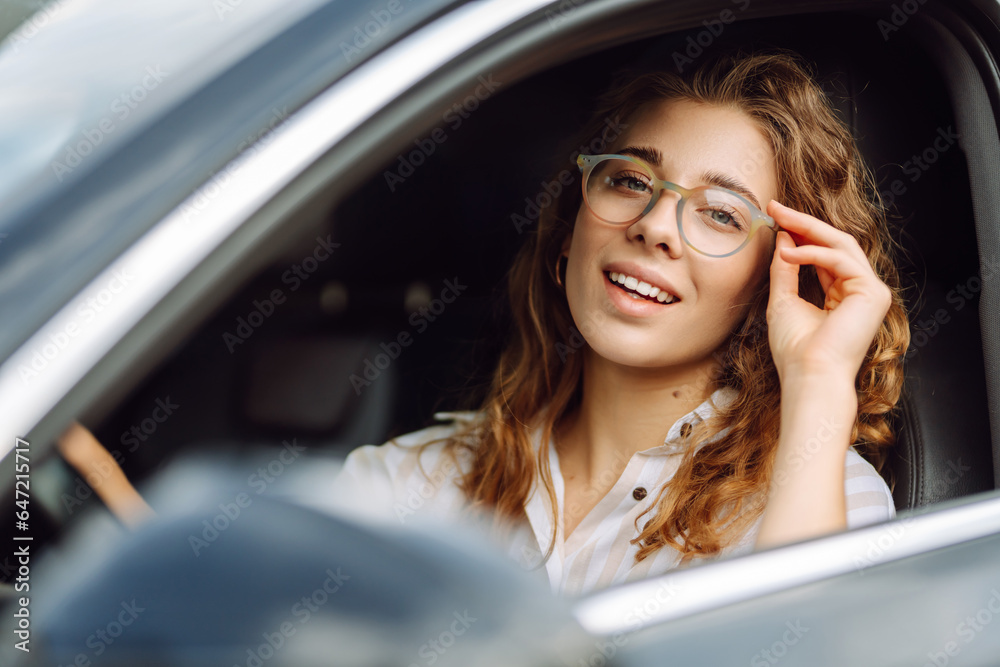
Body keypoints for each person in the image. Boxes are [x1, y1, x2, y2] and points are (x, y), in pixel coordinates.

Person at [324, 48, 910, 596]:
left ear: (775, 284)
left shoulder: (826, 498)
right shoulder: (403, 486)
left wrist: (818, 379)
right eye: (631, 181)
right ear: (566, 237)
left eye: (721, 215)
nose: (654, 226)